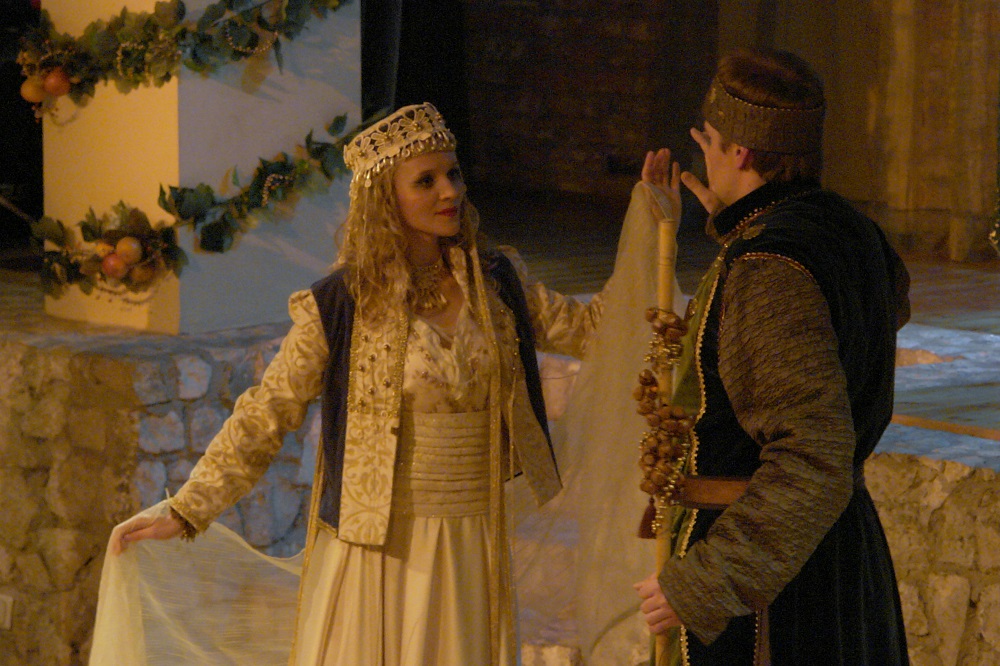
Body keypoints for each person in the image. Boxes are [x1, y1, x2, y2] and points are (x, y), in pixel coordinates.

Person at [96, 102, 654, 666]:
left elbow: (593, 331)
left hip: (474, 540)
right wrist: (187, 508)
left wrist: (650, 230)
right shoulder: (343, 303)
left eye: (453, 173)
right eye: (426, 181)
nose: (449, 192)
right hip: (384, 547)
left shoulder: (495, 283)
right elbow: (267, 411)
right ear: (385, 198)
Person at [632, 49, 911, 665]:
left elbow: (813, 458)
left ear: (739, 152)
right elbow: (857, 325)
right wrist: (737, 228)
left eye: (710, 141)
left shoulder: (768, 267)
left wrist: (705, 583)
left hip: (775, 597)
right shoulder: (848, 230)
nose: (705, 154)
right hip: (835, 556)